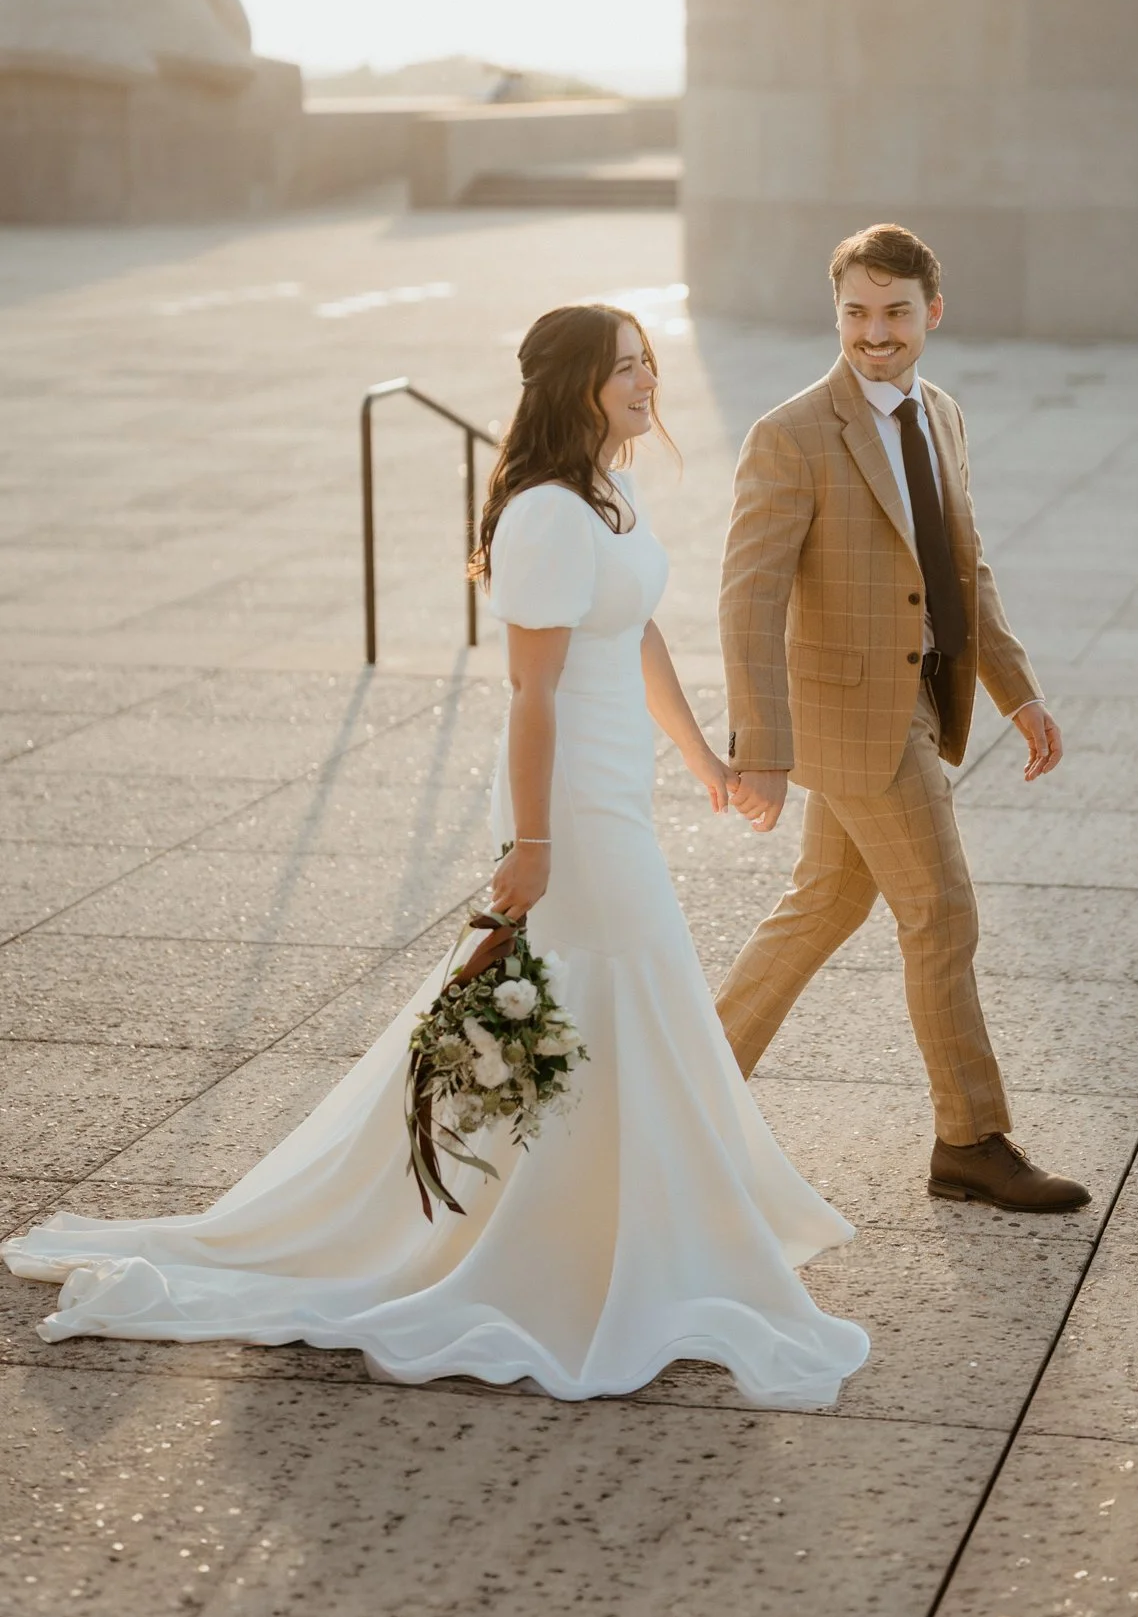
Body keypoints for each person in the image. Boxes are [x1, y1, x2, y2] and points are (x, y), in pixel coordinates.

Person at [4, 305, 868, 1408]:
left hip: (618, 793)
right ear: (572, 386)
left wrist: (701, 756)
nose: (646, 380)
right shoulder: (546, 514)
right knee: (611, 985)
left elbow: (637, 629)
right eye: (622, 370)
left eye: (648, 362)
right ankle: (566, 1236)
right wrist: (536, 841)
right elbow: (529, 689)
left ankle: (613, 1220)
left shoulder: (612, 486)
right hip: (574, 809)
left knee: (599, 998)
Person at [716, 223, 1090, 1213]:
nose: (872, 334)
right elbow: (747, 599)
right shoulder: (790, 434)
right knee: (941, 910)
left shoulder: (943, 415)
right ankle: (969, 1138)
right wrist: (759, 749)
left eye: (891, 313)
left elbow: (963, 567)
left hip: (924, 697)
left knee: (822, 906)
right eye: (853, 313)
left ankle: (689, 1088)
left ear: (931, 310)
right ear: (834, 312)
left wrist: (1018, 689)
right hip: (851, 719)